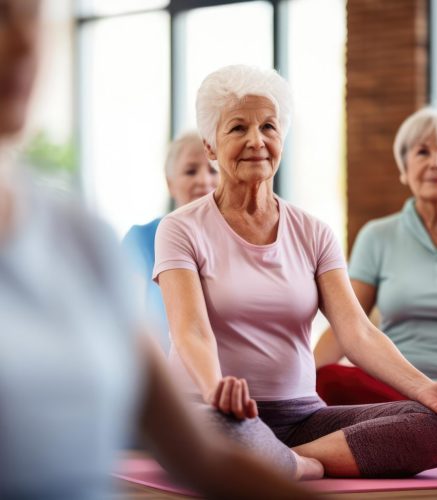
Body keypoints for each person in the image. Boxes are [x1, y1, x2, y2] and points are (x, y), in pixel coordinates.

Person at [0, 2, 318, 498]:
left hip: (279, 412)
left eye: (30, 17)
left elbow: (202, 458)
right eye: (1, 18)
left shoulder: (80, 236)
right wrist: (216, 391)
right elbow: (187, 332)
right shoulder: (166, 233)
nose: (24, 45)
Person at [153, 65, 437, 480]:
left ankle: (286, 460)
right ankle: (286, 459)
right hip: (213, 411)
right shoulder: (180, 228)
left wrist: (423, 388)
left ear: (281, 139)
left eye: (268, 126)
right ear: (211, 147)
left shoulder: (313, 232)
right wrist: (216, 391)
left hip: (302, 416)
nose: (256, 140)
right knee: (200, 432)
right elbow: (191, 331)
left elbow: (356, 332)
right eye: (237, 128)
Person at [314, 108, 437, 442]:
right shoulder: (378, 236)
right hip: (400, 392)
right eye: (423, 152)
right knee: (326, 380)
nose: (436, 163)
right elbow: (348, 324)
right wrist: (301, 379)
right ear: (405, 168)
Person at [122, 131, 218, 350]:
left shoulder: (236, 242)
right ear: (170, 183)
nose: (203, 180)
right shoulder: (141, 238)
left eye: (213, 170)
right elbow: (128, 318)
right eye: (190, 171)